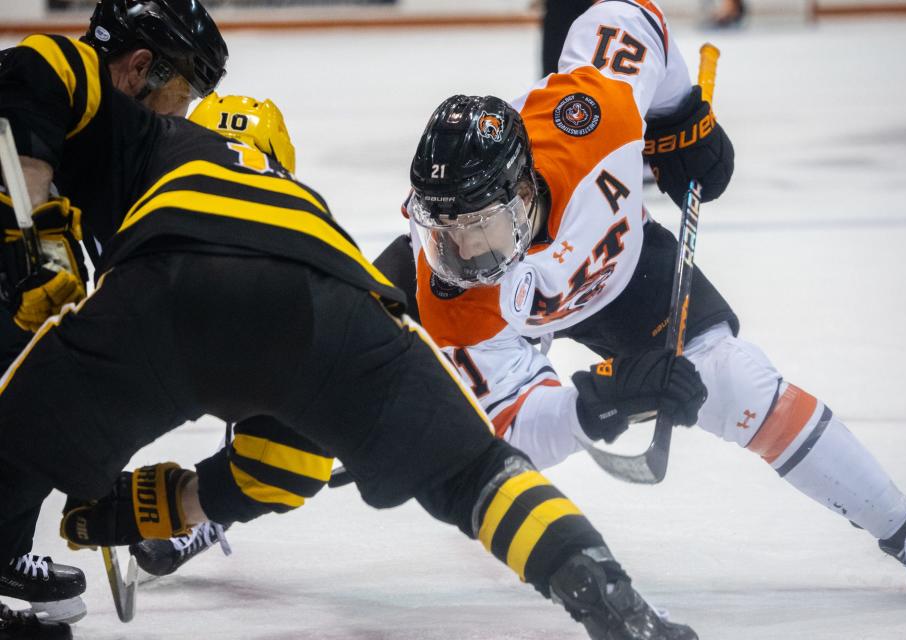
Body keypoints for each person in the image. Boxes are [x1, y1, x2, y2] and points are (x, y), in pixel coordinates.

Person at [0, 32, 700, 640]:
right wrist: (166, 502)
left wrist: (42, 230)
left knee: (13, 443)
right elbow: (288, 464)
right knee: (473, 474)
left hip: (158, 293)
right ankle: (614, 604)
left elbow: (34, 69)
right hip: (324, 297)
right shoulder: (309, 209)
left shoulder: (158, 137)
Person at [389, 0, 906, 601]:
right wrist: (600, 400)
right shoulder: (451, 286)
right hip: (519, 322)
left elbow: (630, 17)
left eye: (481, 226)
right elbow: (510, 426)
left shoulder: (591, 118)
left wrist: (679, 119)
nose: (465, 253)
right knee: (358, 349)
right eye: (444, 233)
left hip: (621, 269)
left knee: (738, 382)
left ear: (524, 190)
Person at [0, 1, 227, 636]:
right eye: (182, 92)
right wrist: (36, 238)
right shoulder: (68, 68)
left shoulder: (117, 172)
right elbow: (25, 101)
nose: (181, 114)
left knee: (48, 383)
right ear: (140, 67)